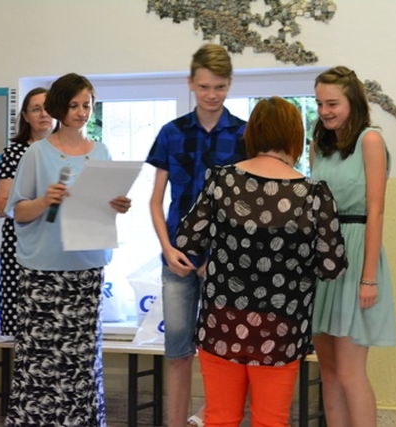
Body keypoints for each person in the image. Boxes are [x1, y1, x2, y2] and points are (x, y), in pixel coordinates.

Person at [174, 96, 348, 427]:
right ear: (295, 137)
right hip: (281, 326)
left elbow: (186, 241)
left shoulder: (221, 180)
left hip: (221, 322)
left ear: (252, 134)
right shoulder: (313, 194)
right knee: (271, 421)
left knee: (220, 418)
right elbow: (332, 266)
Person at [3, 73, 131, 427]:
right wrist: (45, 200)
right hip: (43, 273)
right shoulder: (36, 153)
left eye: (87, 105)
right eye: (74, 105)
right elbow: (17, 211)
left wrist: (118, 205)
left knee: (81, 363)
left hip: (87, 269)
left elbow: (101, 206)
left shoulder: (101, 152)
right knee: (39, 363)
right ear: (60, 107)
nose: (81, 112)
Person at [146, 43, 247, 427]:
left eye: (219, 87)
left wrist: (217, 256)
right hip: (177, 259)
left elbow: (247, 205)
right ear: (190, 83)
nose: (211, 94)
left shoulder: (244, 134)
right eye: (204, 86)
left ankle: (209, 418)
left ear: (230, 85)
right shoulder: (171, 133)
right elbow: (155, 201)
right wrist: (167, 248)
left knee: (222, 351)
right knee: (177, 351)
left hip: (224, 261)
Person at [310, 66, 396, 427]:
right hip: (322, 255)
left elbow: (376, 211)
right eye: (319, 103)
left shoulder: (370, 140)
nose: (324, 111)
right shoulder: (318, 145)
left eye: (332, 104)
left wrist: (369, 277)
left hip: (357, 252)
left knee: (350, 371)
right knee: (328, 373)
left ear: (353, 103)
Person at [0, 87, 55, 336]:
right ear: (25, 116)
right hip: (20, 245)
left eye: (48, 108)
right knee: (25, 329)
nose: (43, 114)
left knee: (56, 326)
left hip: (58, 245)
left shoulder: (68, 153)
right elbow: (2, 206)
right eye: (36, 109)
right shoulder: (14, 153)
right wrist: (38, 204)